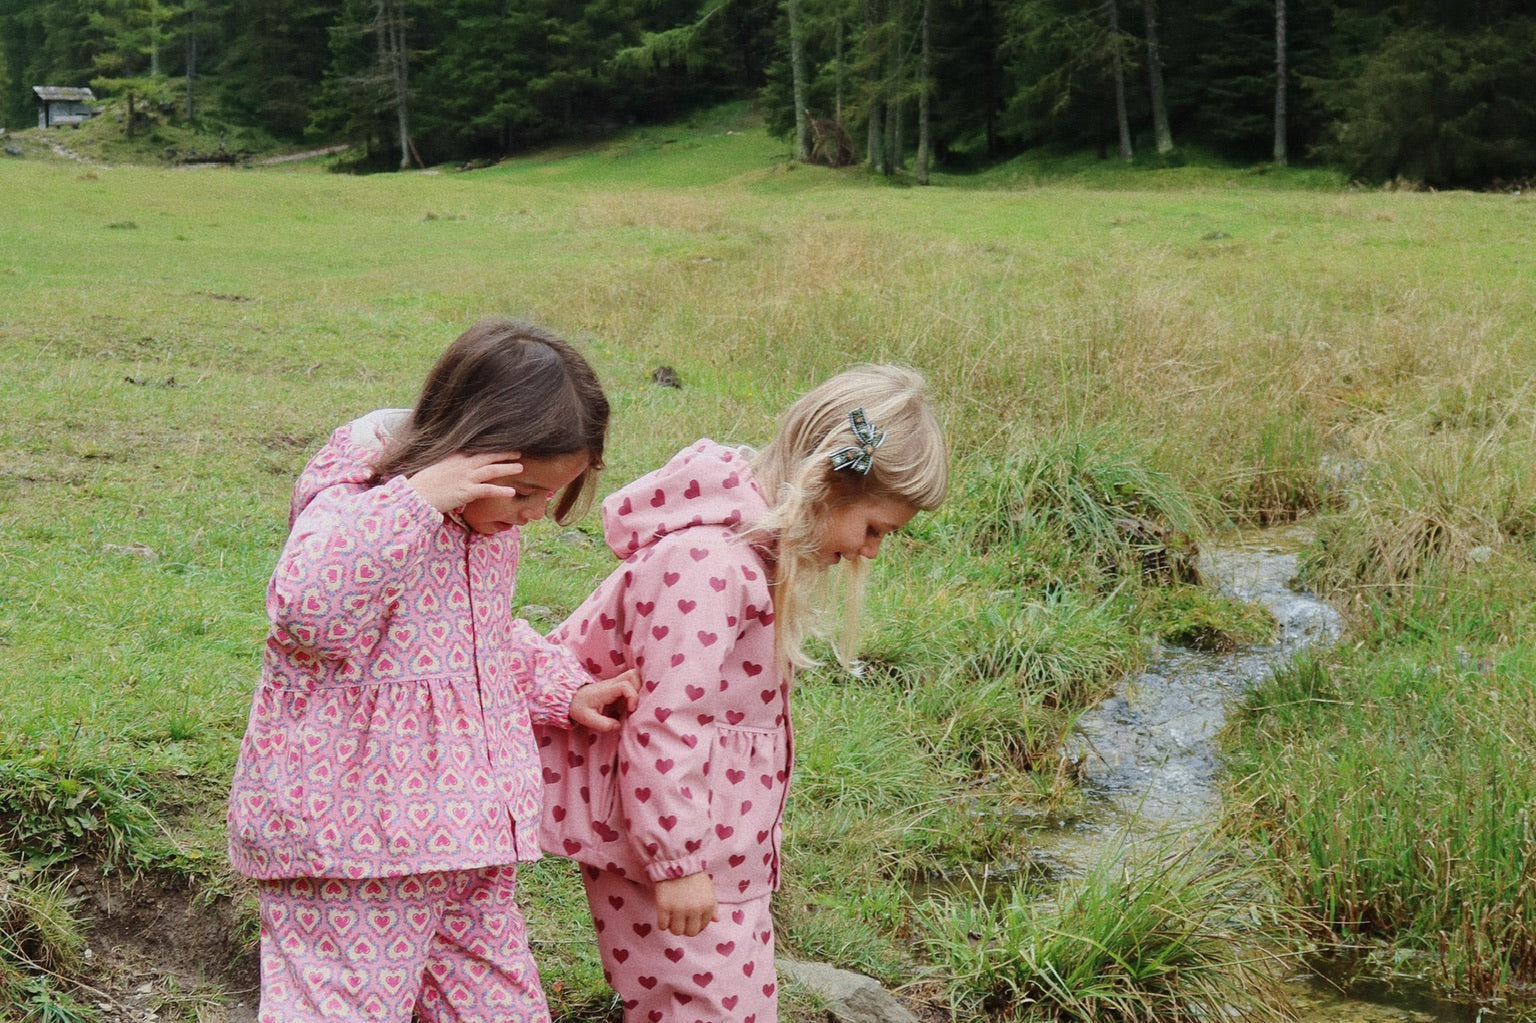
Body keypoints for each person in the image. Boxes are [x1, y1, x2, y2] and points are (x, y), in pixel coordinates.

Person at [227, 317, 640, 1023]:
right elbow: (308, 611)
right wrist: (416, 500)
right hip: (352, 849)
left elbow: (478, 639)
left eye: (550, 495)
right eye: (525, 490)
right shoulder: (361, 498)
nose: (535, 511)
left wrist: (561, 687)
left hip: (463, 842)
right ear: (462, 453)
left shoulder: (485, 529)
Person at [537, 364, 948, 1023]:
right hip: (669, 852)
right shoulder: (706, 566)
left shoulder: (752, 562)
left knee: (733, 1003)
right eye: (873, 528)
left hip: (723, 852)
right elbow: (666, 720)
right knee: (697, 1006)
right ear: (826, 484)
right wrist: (677, 862)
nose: (870, 551)